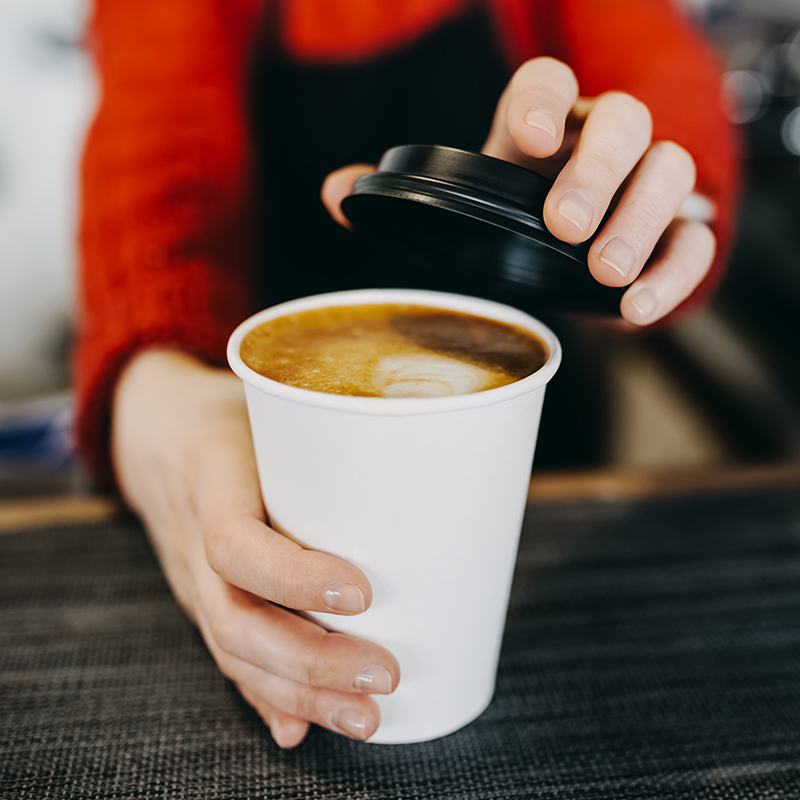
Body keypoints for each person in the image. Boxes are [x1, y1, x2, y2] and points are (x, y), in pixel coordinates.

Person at [76, 0, 739, 748]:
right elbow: (158, 150)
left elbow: (653, 58)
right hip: (270, 436)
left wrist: (642, 195)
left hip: (540, 455)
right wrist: (159, 390)